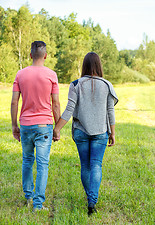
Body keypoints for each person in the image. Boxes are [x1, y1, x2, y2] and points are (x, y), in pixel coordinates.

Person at [53, 52, 118, 216]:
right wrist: (113, 133)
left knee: (85, 166)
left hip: (81, 131)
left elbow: (69, 109)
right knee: (96, 165)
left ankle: (90, 198)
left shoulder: (75, 84)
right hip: (101, 131)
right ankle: (92, 202)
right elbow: (110, 111)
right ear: (99, 66)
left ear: (84, 66)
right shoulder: (107, 85)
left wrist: (57, 128)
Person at [11, 41, 60, 211]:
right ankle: (38, 205)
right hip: (44, 125)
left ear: (30, 55)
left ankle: (28, 196)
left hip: (25, 125)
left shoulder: (20, 74)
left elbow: (14, 102)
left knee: (27, 160)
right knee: (42, 164)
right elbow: (55, 104)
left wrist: (14, 125)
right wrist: (57, 127)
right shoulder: (51, 75)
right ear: (45, 55)